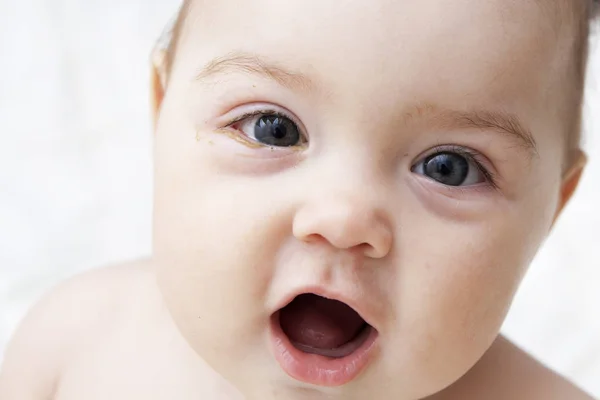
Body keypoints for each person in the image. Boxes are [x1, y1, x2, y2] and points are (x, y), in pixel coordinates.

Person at [0, 0, 598, 399]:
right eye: (272, 129)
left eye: (450, 168)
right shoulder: (76, 342)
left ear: (552, 210)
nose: (343, 220)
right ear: (161, 115)